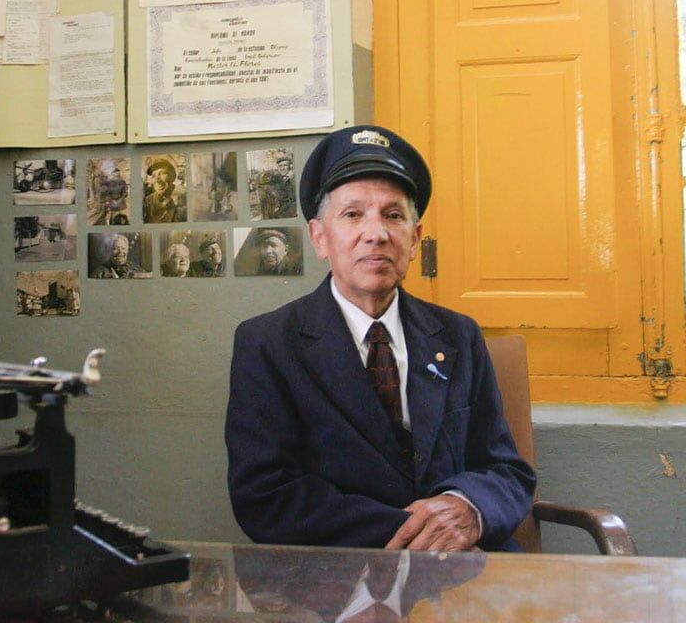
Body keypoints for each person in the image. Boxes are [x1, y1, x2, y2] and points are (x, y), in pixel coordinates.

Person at [225, 124, 536, 552]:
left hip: (467, 568)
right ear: (320, 237)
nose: (377, 233)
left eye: (393, 216)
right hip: (339, 576)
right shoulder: (269, 343)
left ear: (414, 240)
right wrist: (421, 533)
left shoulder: (459, 335)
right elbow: (265, 497)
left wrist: (466, 509)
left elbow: (505, 470)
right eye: (353, 215)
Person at [144, 158, 184, 223]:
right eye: (154, 175)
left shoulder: (182, 198)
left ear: (172, 176)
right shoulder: (148, 201)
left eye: (162, 173)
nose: (157, 180)